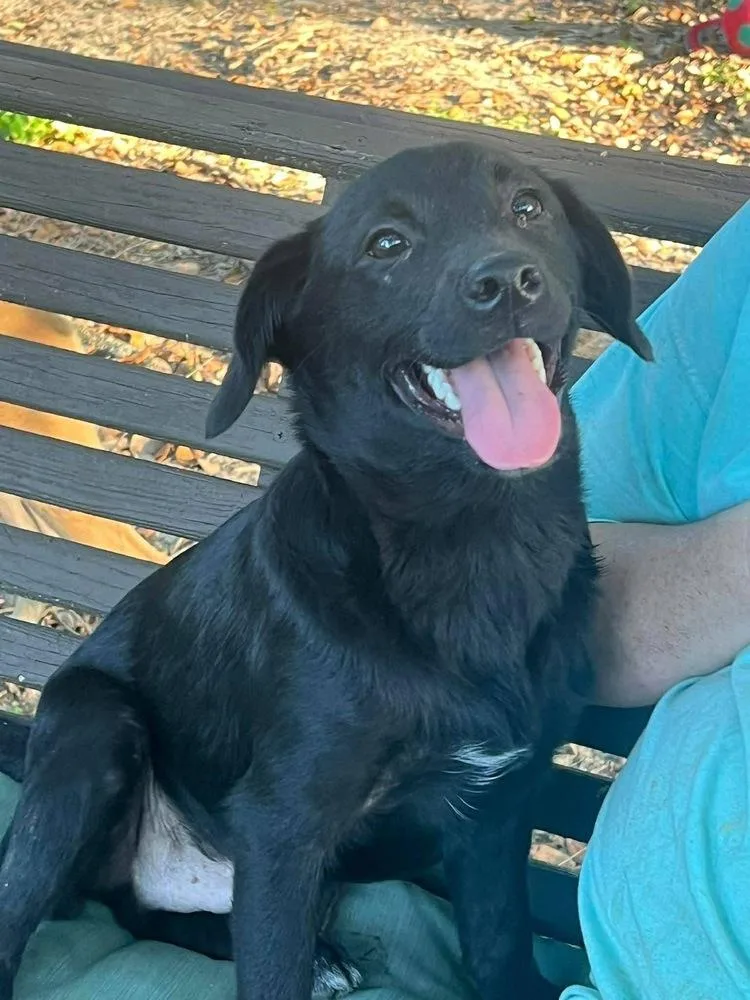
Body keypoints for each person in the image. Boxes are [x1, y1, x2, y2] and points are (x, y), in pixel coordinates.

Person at [0, 201, 748, 1000]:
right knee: (95, 741)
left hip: (326, 835)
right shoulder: (351, 588)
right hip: (180, 778)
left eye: (527, 217)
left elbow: (491, 793)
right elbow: (279, 814)